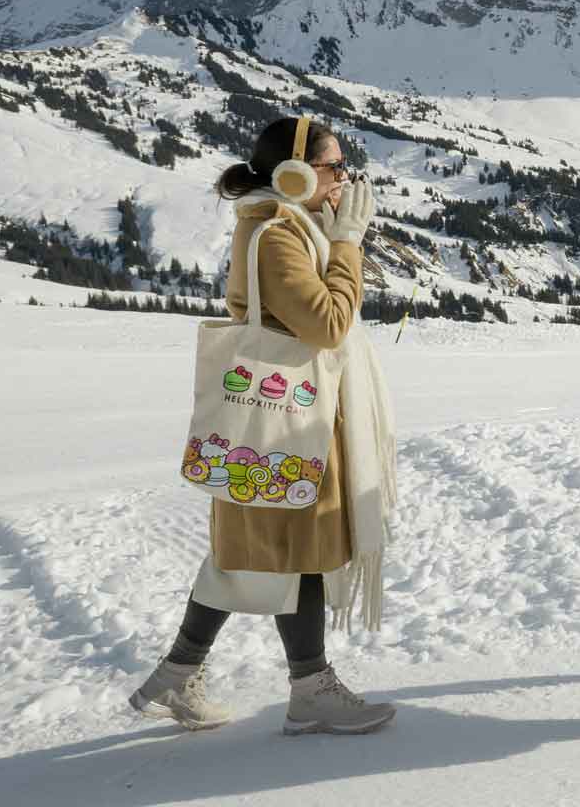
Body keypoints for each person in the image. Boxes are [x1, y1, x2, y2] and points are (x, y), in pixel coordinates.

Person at [130, 116, 398, 735]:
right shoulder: (276, 238)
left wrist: (333, 241)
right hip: (284, 420)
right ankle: (310, 689)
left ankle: (182, 672)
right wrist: (349, 246)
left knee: (253, 554)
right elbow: (327, 324)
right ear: (295, 174)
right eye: (335, 168)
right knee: (293, 553)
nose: (343, 181)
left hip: (276, 417)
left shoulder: (287, 227)